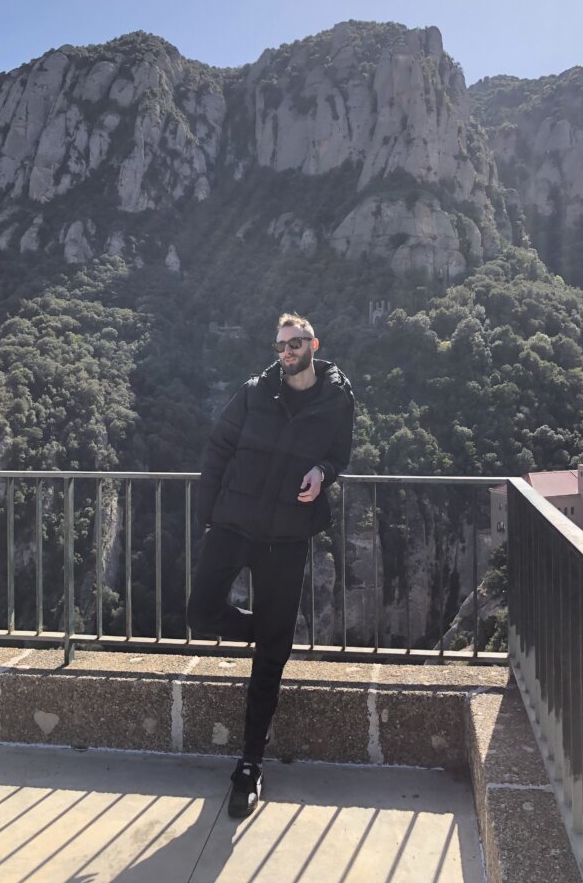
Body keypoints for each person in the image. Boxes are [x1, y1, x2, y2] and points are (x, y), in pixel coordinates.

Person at [187, 312, 355, 817]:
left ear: (313, 344)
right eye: (282, 344)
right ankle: (271, 633)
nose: (288, 350)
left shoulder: (337, 398)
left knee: (269, 659)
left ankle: (249, 764)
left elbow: (340, 455)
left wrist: (322, 472)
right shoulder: (253, 392)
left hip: (286, 535)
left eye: (296, 342)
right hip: (234, 522)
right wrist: (207, 517)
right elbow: (218, 449)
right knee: (201, 614)